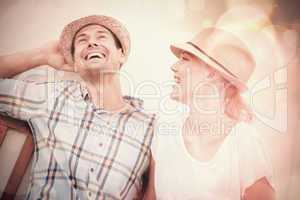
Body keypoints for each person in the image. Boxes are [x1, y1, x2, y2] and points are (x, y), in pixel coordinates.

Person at [0, 15, 155, 199]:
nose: (91, 43)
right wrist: (41, 55)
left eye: (101, 36)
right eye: (83, 40)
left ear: (121, 54)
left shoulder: (149, 126)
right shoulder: (53, 97)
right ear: (74, 62)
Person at [144, 27, 275, 200]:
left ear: (211, 74)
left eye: (184, 59)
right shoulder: (164, 131)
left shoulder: (243, 142)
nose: (174, 66)